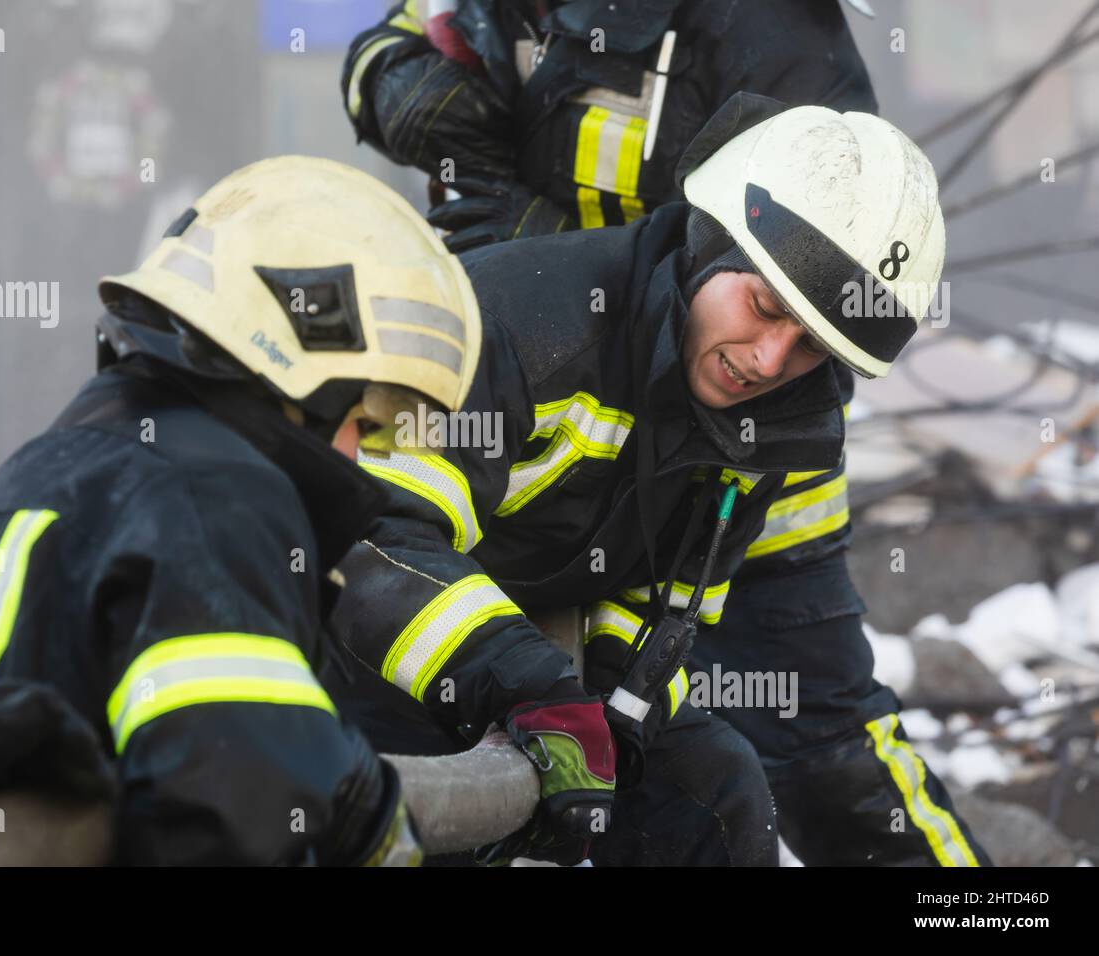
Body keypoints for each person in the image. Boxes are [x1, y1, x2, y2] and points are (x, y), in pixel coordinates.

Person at [342, 0, 988, 865]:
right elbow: (377, 548)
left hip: (681, 416)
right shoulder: (515, 325)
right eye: (765, 309)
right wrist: (392, 78)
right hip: (535, 395)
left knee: (772, 757)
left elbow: (667, 596)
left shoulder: (783, 44)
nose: (770, 357)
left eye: (805, 348)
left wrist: (604, 702)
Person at [0, 156, 483, 866]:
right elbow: (229, 817)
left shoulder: (74, 471)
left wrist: (333, 770)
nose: (362, 459)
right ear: (301, 366)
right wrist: (364, 828)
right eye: (369, 423)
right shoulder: (212, 495)